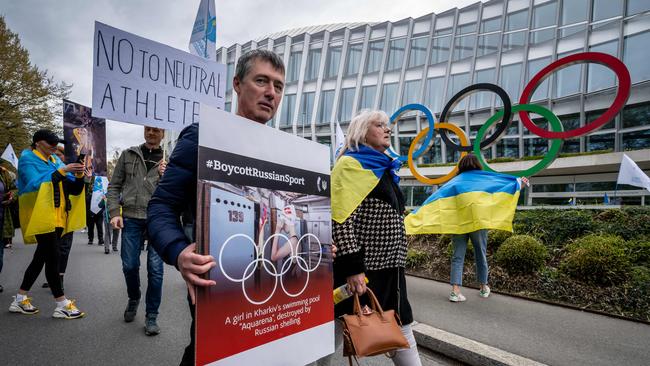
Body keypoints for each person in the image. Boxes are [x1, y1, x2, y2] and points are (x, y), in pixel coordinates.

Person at [147, 49, 285, 366]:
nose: (270, 93)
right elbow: (161, 208)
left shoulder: (285, 152)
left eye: (278, 86)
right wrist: (179, 251)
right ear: (237, 84)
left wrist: (321, 251)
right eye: (261, 80)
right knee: (210, 352)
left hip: (272, 281)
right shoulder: (202, 137)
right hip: (218, 278)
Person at [327, 109, 422, 365]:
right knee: (336, 328)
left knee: (400, 324)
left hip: (390, 268)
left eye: (388, 125)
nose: (387, 129)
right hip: (364, 270)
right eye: (380, 125)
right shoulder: (350, 165)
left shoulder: (384, 168)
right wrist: (353, 269)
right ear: (362, 133)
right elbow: (341, 220)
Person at [9, 129, 86, 319]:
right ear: (37, 143)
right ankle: (61, 303)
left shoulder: (55, 161)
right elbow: (33, 184)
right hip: (41, 215)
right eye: (50, 143)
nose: (54, 146)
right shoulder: (27, 159)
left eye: (56, 143)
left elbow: (74, 189)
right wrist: (63, 170)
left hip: (59, 216)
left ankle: (19, 298)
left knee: (40, 258)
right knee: (53, 257)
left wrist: (79, 174)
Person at [107, 126, 167, 336]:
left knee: (156, 270)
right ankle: (134, 297)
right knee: (130, 265)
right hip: (131, 218)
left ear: (163, 134)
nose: (152, 133)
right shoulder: (128, 154)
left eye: (156, 130)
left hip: (158, 221)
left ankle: (152, 316)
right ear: (144, 131)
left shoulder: (170, 160)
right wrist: (114, 212)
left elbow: (179, 191)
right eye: (148, 129)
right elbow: (114, 186)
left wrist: (166, 178)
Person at [447, 154, 528, 302]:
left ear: (461, 166)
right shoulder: (483, 179)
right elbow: (497, 193)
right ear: (477, 165)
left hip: (458, 224)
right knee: (480, 254)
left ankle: (455, 291)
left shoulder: (455, 182)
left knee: (457, 257)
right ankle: (484, 287)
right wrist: (519, 185)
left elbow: (444, 202)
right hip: (478, 223)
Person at [42, 145, 81, 290]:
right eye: (55, 154)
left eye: (60, 154)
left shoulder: (68, 174)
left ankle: (59, 278)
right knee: (49, 250)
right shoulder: (46, 172)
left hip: (65, 216)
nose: (57, 156)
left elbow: (77, 190)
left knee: (63, 249)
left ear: (65, 157)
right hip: (47, 216)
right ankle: (52, 277)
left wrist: (81, 176)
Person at [1, 165, 17, 249]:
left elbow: (14, 188)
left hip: (3, 212)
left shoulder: (4, 172)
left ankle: (7, 240)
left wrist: (11, 197)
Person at [85, 174, 104, 246]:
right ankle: (90, 239)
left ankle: (101, 240)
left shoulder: (100, 195)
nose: (93, 188)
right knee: (90, 227)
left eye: (94, 187)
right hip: (90, 214)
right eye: (92, 187)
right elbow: (86, 203)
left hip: (99, 214)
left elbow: (102, 204)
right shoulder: (88, 196)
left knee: (99, 227)